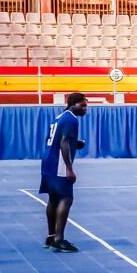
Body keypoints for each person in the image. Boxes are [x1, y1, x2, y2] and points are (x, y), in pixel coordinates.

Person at [40, 92, 88, 252]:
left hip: (48, 161)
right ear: (73, 104)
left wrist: (76, 144)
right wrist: (69, 168)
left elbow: (59, 139)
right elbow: (63, 142)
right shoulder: (71, 119)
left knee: (53, 198)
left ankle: (51, 236)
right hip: (59, 164)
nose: (85, 108)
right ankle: (59, 239)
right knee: (66, 199)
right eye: (83, 105)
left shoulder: (60, 116)